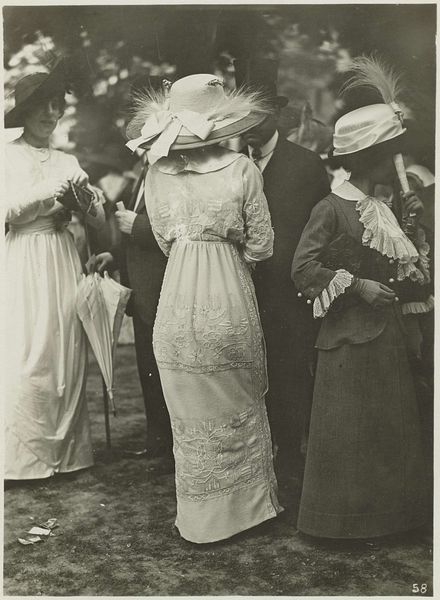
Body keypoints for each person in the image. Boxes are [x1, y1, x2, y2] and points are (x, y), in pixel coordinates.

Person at [125, 73, 282, 543]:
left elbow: (162, 239)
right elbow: (262, 246)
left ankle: (200, 518)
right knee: (237, 396)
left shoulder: (157, 173)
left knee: (191, 410)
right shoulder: (242, 169)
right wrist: (227, 255)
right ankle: (246, 510)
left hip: (177, 300)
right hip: (227, 293)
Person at [291, 97, 431, 538]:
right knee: (349, 434)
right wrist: (357, 286)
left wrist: (413, 231)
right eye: (391, 155)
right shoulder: (330, 208)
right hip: (348, 344)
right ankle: (342, 525)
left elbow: (405, 269)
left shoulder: (382, 207)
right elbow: (303, 268)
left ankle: (389, 521)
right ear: (370, 159)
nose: (397, 165)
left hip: (387, 340)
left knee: (384, 432)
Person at [4, 64, 105, 480]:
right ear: (24, 112)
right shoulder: (7, 155)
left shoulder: (68, 159)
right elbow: (8, 212)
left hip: (62, 255)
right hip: (25, 256)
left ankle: (69, 455)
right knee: (29, 350)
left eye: (56, 106)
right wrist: (50, 191)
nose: (51, 114)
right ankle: (21, 459)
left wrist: (86, 201)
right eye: (42, 106)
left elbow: (97, 220)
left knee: (66, 347)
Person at [234, 58, 330, 467]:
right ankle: (254, 454)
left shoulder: (304, 164)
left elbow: (322, 233)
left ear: (275, 113)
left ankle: (290, 455)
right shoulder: (229, 166)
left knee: (289, 372)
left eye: (259, 113)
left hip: (288, 293)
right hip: (239, 289)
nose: (250, 124)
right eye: (243, 115)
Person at [93, 78, 171, 459]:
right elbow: (128, 232)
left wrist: (136, 227)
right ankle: (157, 442)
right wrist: (114, 256)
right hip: (142, 288)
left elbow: (177, 228)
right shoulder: (143, 172)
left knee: (164, 368)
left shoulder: (171, 172)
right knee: (147, 367)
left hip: (164, 286)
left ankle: (169, 446)